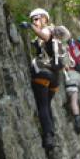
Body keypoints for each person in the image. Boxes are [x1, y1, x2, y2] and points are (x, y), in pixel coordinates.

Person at [27, 8, 67, 150]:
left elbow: (43, 35)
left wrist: (29, 27)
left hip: (44, 73)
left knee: (43, 106)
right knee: (47, 106)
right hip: (55, 78)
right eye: (33, 20)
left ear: (45, 19)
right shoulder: (55, 37)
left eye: (37, 18)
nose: (35, 22)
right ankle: (51, 133)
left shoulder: (48, 30)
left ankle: (48, 137)